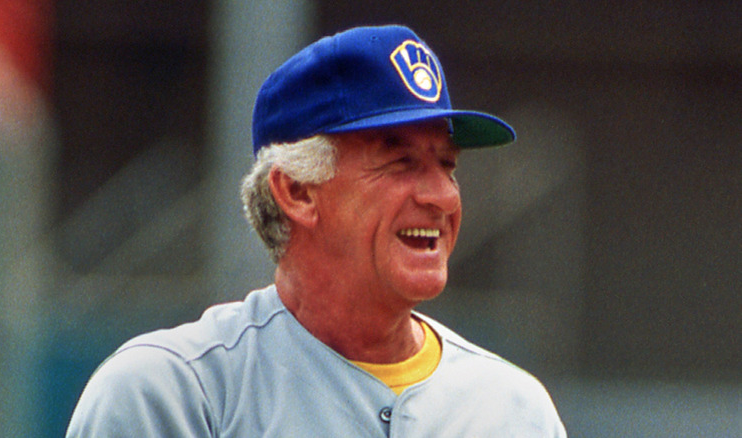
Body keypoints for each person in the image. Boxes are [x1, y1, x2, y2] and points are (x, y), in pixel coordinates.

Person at [66, 25, 567, 437]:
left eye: (447, 165)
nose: (440, 196)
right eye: (400, 163)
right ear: (298, 192)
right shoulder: (175, 395)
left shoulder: (514, 413)